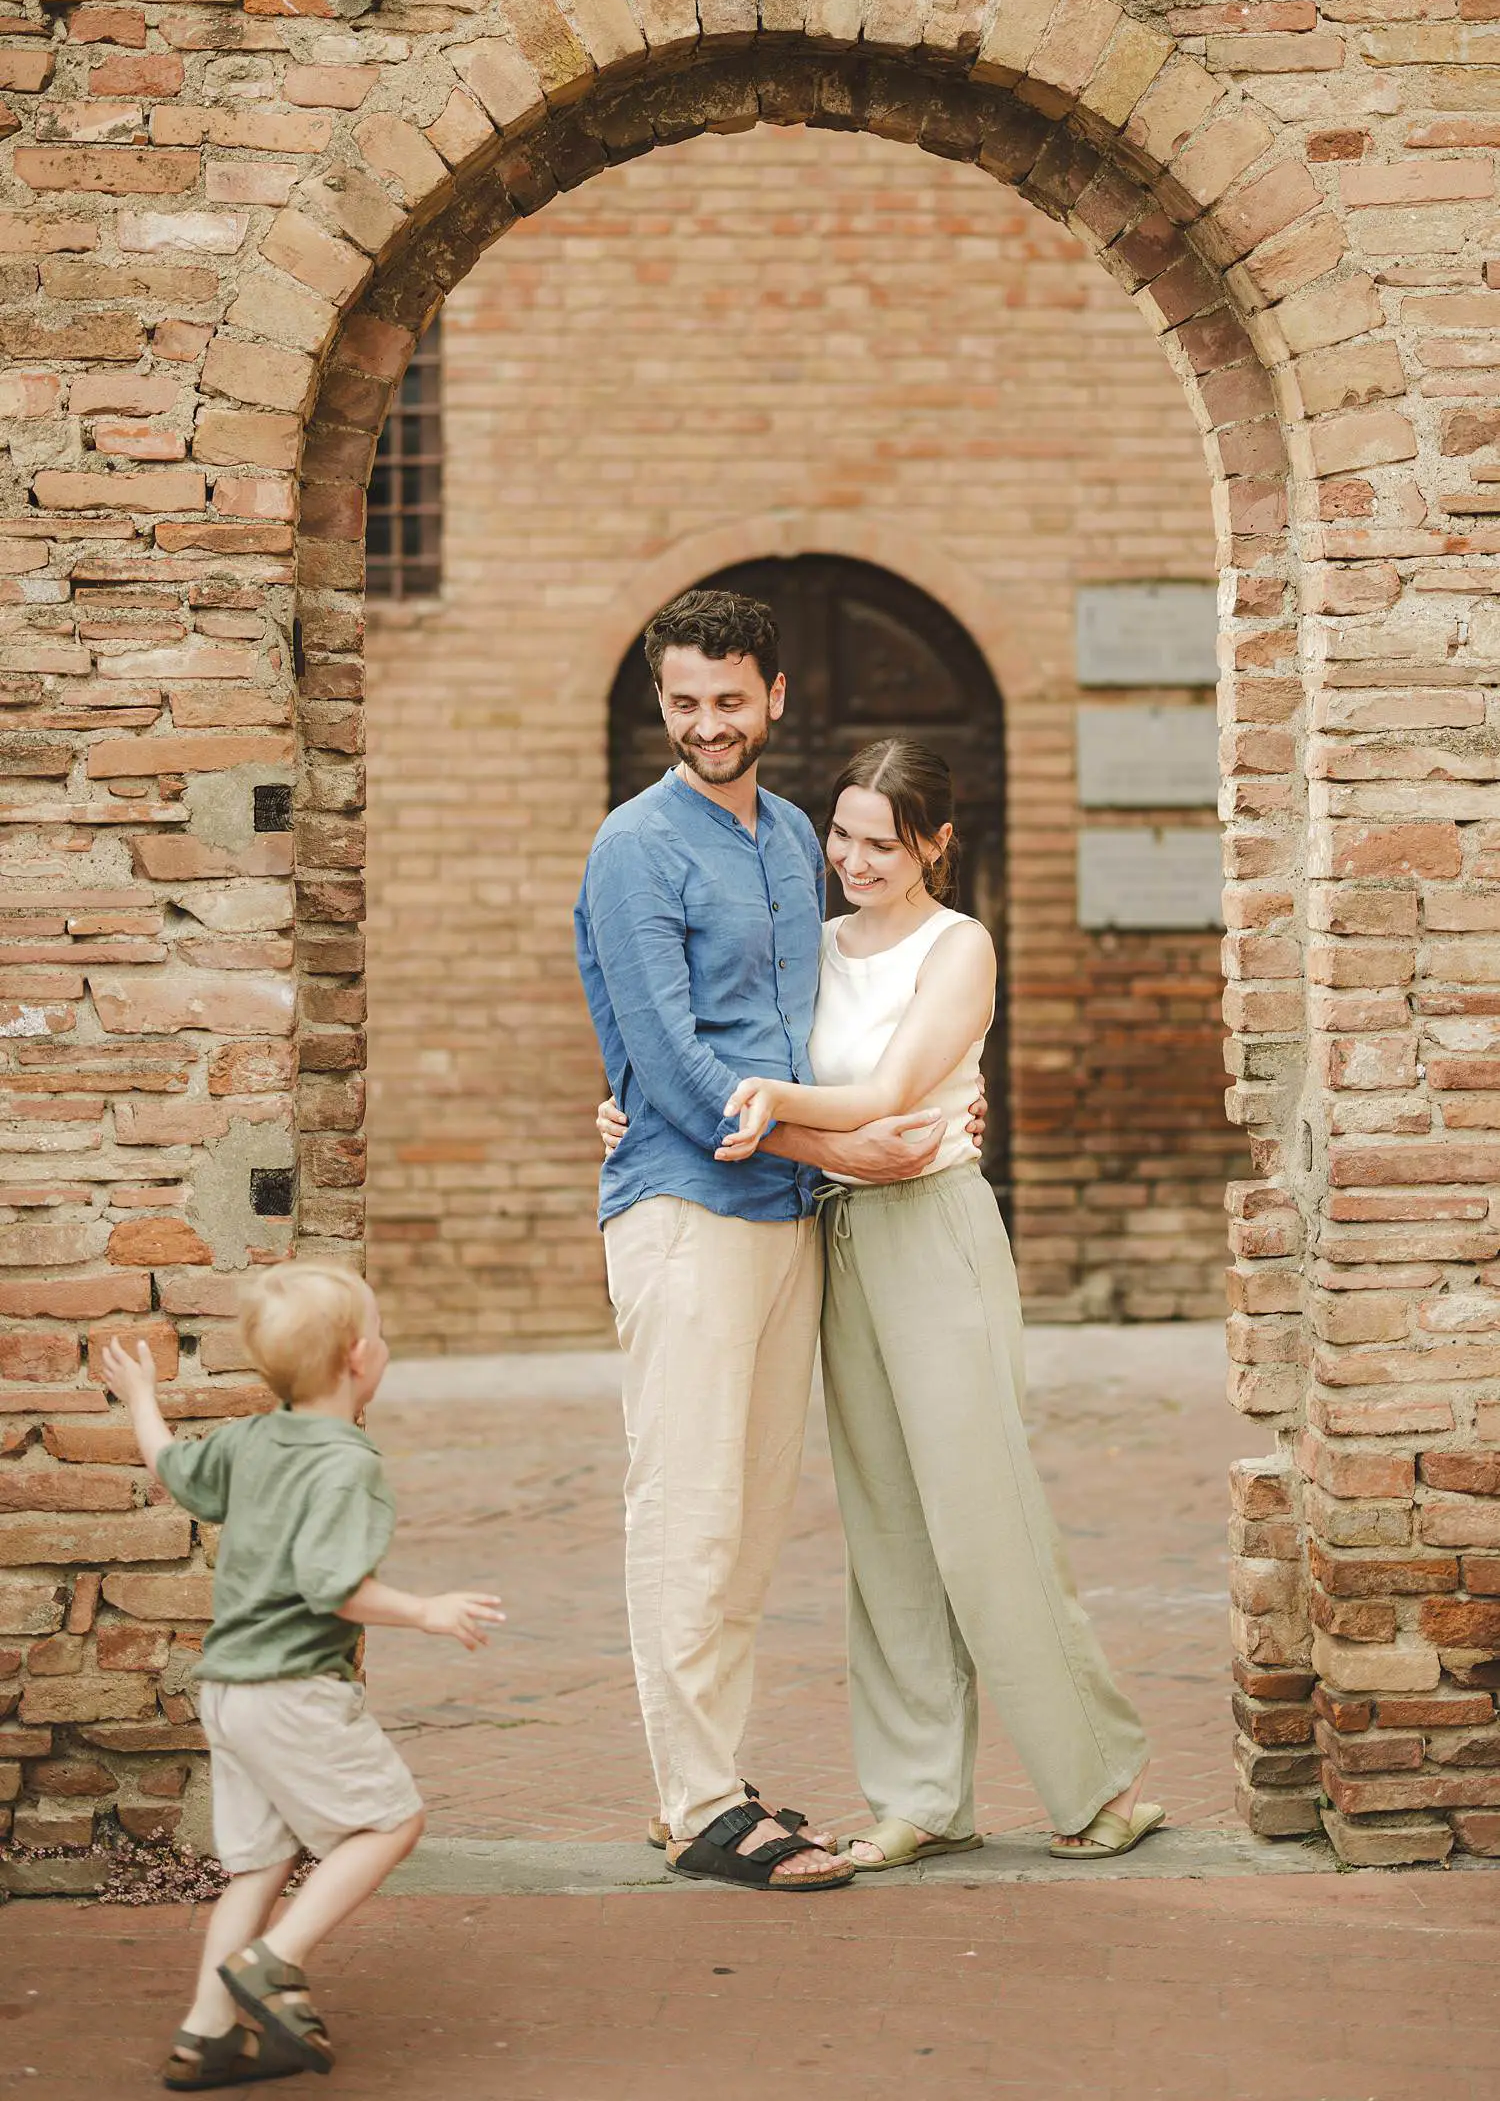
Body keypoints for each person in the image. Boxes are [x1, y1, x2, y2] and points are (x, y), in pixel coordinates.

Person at [573, 589, 982, 1893]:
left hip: (783, 1219)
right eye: (684, 702)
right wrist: (834, 1147)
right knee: (686, 1508)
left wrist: (926, 1095)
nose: (707, 724)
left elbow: (809, 1026)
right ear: (663, 702)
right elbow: (681, 1063)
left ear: (777, 697)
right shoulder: (636, 847)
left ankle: (703, 1777)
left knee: (748, 1520)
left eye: (729, 700)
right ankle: (699, 1808)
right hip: (686, 1214)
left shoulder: (795, 831)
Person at [717, 737, 1162, 1866]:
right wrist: (799, 1133)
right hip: (843, 1234)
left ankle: (1100, 1783)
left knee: (983, 1515)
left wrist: (770, 1105)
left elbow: (893, 1096)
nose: (855, 859)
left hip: (942, 1237)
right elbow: (849, 1125)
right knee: (887, 1530)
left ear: (935, 844)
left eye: (884, 841)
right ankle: (921, 1797)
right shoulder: (808, 951)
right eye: (843, 833)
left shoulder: (960, 947)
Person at [101, 1262, 505, 2088]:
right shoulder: (347, 1463)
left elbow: (173, 1471)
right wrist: (427, 1610)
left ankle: (206, 2035)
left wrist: (142, 1398)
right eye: (381, 1333)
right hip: (291, 1691)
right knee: (390, 1824)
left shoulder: (251, 1440)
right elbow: (335, 1586)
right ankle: (273, 1961)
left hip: (228, 1693)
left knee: (260, 1863)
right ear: (361, 1359)